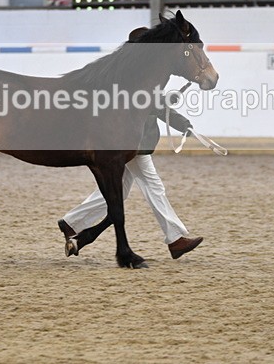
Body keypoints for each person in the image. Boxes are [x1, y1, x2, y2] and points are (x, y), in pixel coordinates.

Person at [57, 27, 204, 260]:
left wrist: (173, 110)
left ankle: (71, 222)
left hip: (132, 142)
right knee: (153, 187)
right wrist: (180, 121)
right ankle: (176, 239)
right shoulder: (137, 76)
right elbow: (151, 103)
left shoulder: (133, 74)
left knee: (118, 191)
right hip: (134, 143)